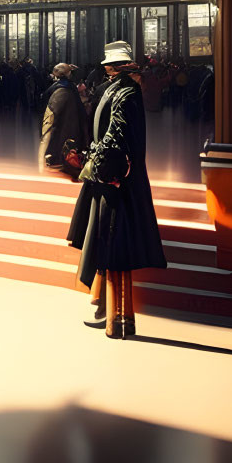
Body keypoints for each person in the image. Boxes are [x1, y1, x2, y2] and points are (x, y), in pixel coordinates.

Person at [68, 41, 167, 338]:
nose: (107, 68)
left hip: (115, 181)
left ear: (117, 67)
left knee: (114, 248)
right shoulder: (119, 89)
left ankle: (116, 318)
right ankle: (107, 310)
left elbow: (116, 134)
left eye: (110, 64)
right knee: (108, 246)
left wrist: (97, 163)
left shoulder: (124, 91)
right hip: (112, 177)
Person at [39, 62, 88, 177]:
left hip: (56, 120)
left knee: (53, 138)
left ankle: (50, 160)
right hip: (71, 121)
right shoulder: (69, 87)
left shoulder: (54, 88)